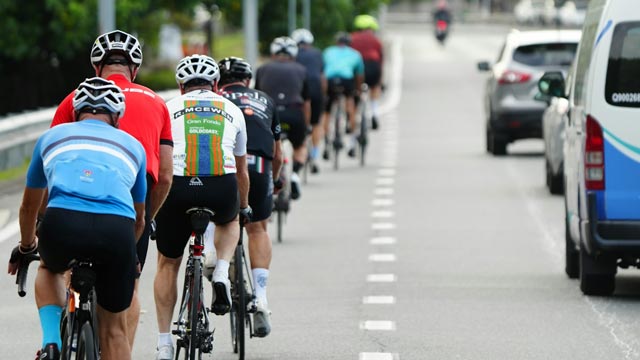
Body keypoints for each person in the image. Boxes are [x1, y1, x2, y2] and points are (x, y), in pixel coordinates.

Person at [8, 77, 147, 360]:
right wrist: (125, 255)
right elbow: (140, 218)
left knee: (49, 269)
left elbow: (28, 206)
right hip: (116, 230)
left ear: (75, 112)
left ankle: (50, 344)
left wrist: (26, 246)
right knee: (115, 331)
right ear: (117, 116)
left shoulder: (50, 138)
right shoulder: (134, 147)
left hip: (63, 223)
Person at [50, 30, 173, 347]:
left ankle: (64, 333)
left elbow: (54, 159)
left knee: (65, 270)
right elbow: (167, 176)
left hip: (74, 200)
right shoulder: (157, 103)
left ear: (96, 68)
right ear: (134, 69)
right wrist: (148, 217)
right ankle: (119, 350)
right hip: (130, 206)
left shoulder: (75, 98)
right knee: (127, 287)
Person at [153, 54, 251, 359]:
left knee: (168, 263)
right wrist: (244, 206)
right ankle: (221, 271)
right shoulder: (232, 109)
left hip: (178, 187)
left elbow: (160, 162)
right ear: (216, 84)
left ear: (181, 86)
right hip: (220, 187)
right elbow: (242, 171)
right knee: (230, 220)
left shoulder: (167, 108)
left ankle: (164, 343)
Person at [217, 56, 283, 337]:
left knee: (220, 216)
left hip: (227, 166)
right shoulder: (264, 99)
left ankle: (212, 260)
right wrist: (276, 180)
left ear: (219, 80)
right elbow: (278, 153)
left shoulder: (214, 98)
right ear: (248, 80)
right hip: (260, 166)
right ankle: (261, 296)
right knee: (258, 228)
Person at [255, 36, 310, 200]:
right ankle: (294, 175)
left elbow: (257, 97)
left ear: (273, 53)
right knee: (300, 145)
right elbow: (306, 102)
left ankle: (268, 179)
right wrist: (306, 125)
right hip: (293, 113)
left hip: (270, 115)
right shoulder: (301, 69)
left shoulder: (262, 69)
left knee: (266, 148)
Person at [321, 32, 365, 159]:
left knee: (327, 112)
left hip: (330, 80)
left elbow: (323, 70)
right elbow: (359, 75)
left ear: (336, 42)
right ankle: (352, 143)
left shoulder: (328, 51)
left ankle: (326, 142)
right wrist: (358, 90)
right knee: (350, 104)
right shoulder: (355, 54)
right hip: (347, 80)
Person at [291, 28, 326, 173]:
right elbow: (323, 77)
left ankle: (298, 155)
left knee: (300, 123)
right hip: (316, 90)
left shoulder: (293, 56)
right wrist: (324, 94)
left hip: (299, 92)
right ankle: (315, 155)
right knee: (316, 123)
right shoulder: (317, 54)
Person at [351, 15, 384, 130]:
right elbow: (381, 60)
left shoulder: (352, 38)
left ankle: (351, 119)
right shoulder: (376, 40)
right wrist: (381, 80)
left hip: (358, 70)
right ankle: (374, 113)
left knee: (354, 94)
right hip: (373, 66)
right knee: (374, 87)